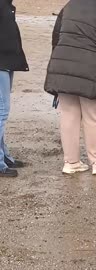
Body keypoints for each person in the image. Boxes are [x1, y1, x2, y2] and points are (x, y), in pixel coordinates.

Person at [44, 0, 96, 175]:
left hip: (63, 66)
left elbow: (56, 38)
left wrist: (59, 64)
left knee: (68, 116)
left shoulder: (69, 5)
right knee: (93, 117)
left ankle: (71, 162)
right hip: (93, 69)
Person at [0, 0, 29, 177]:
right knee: (1, 111)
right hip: (2, 63)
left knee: (2, 112)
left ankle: (5, 157)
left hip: (7, 62)